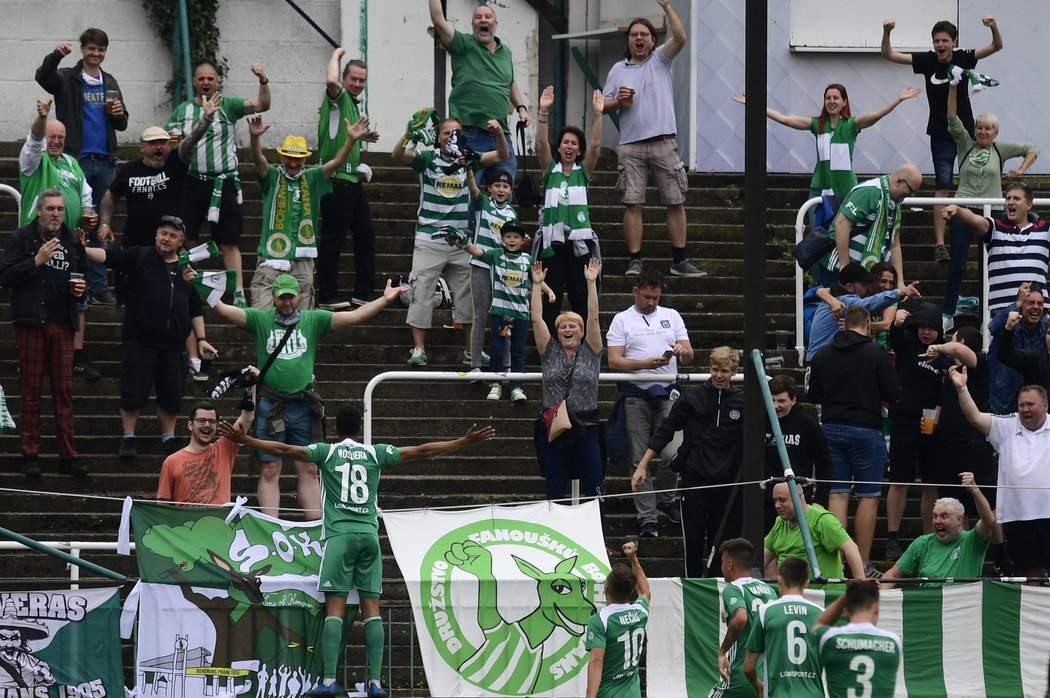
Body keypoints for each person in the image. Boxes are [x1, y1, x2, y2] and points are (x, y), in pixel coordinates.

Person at [219, 407, 495, 698]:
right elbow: (422, 451)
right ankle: (375, 682)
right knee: (372, 611)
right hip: (368, 537)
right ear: (360, 429)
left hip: (340, 537)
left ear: (335, 430)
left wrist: (247, 440)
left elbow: (285, 448)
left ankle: (328, 681)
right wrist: (463, 442)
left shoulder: (326, 452)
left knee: (334, 611)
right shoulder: (375, 454)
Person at [208, 274, 408, 519]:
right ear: (273, 296)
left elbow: (354, 317)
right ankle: (272, 524)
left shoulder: (313, 320)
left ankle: (313, 524)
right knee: (270, 468)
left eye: (291, 297)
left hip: (303, 404)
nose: (287, 302)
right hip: (272, 404)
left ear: (299, 296)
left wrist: (384, 300)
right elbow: (224, 311)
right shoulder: (260, 320)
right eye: (282, 297)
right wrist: (200, 287)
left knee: (309, 467)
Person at [83, 216, 215, 458]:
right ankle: (129, 437)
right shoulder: (139, 256)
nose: (166, 238)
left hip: (174, 345)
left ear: (181, 241)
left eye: (172, 235)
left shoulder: (186, 270)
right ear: (156, 235)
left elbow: (194, 307)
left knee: (172, 394)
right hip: (140, 340)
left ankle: (168, 437)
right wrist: (80, 249)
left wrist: (201, 338)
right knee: (133, 391)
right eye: (163, 233)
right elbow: (108, 257)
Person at [881, 16, 1004, 261]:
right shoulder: (927, 60)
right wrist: (886, 32)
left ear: (953, 42)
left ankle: (981, 233)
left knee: (974, 179)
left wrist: (993, 28)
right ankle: (940, 244)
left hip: (968, 133)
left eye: (945, 41)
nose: (940, 45)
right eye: (936, 40)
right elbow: (889, 54)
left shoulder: (964, 57)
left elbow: (996, 47)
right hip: (940, 133)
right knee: (943, 185)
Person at [392, 115, 507, 367]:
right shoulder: (427, 158)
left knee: (469, 297)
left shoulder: (469, 158)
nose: (451, 137)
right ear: (438, 137)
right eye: (445, 133)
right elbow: (397, 155)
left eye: (455, 132)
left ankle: (471, 350)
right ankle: (419, 349)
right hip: (429, 237)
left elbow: (501, 155)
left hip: (460, 241)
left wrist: (498, 132)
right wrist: (409, 134)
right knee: (421, 291)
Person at [601, 1, 703, 279]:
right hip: (631, 144)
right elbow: (603, 104)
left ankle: (679, 260)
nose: (638, 39)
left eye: (644, 35)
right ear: (629, 41)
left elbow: (681, 38)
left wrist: (668, 7)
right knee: (632, 203)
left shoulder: (660, 59)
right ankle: (635, 260)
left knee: (675, 200)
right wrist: (617, 101)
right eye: (634, 35)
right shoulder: (617, 69)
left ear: (653, 39)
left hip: (663, 140)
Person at [35, 27, 128, 306]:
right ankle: (77, 282)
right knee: (77, 224)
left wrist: (120, 114)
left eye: (101, 49)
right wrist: (55, 56)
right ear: (83, 49)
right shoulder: (67, 77)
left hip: (106, 162)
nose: (96, 54)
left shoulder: (110, 81)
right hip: (76, 161)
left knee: (101, 227)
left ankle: (99, 286)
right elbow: (43, 77)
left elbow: (122, 123)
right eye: (91, 48)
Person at [166, 62, 271, 307]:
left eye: (210, 79)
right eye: (201, 78)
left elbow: (263, 104)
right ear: (194, 82)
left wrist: (263, 79)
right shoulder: (182, 111)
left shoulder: (229, 106)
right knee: (187, 235)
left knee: (229, 241)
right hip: (192, 181)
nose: (205, 83)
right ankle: (193, 286)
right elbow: (167, 140)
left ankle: (238, 293)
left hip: (224, 182)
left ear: (217, 82)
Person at [633, 347, 743, 578]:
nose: (719, 375)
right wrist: (643, 464)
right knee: (692, 538)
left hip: (726, 482)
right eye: (715, 370)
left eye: (724, 371)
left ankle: (719, 584)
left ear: (734, 371)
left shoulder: (743, 401)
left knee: (722, 540)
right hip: (694, 478)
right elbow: (667, 428)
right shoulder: (692, 396)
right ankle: (692, 585)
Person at [0, 190, 88, 477]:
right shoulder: (23, 238)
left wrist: (80, 290)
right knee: (31, 391)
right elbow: (6, 276)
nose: (56, 214)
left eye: (60, 209)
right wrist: (36, 260)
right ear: (39, 211)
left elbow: (81, 273)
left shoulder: (71, 239)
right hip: (31, 323)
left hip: (63, 324)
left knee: (64, 392)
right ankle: (30, 454)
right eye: (50, 208)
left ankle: (68, 456)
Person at [808, 305, 900, 570]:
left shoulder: (823, 354)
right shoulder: (875, 353)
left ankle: (837, 563)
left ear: (844, 325)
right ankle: (862, 563)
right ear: (868, 325)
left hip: (831, 427)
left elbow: (813, 394)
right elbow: (893, 391)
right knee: (868, 496)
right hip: (866, 428)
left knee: (837, 495)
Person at [940, 82, 1038, 330]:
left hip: (992, 211)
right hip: (964, 207)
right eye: (980, 127)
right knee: (958, 262)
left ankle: (987, 317)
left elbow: (1032, 148)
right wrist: (953, 86)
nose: (983, 132)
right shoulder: (965, 144)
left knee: (989, 266)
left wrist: (1021, 170)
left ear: (996, 132)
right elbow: (951, 117)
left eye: (988, 128)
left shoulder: (999, 149)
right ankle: (948, 313)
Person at [247, 114, 366, 310]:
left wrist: (351, 141)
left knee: (302, 315)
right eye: (289, 159)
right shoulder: (273, 176)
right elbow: (258, 159)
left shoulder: (313, 178)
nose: (293, 164)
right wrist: (254, 138)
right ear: (282, 156)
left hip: (303, 256)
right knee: (262, 311)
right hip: (271, 253)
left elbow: (336, 163)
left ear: (304, 159)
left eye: (298, 160)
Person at [17, 99, 99, 380]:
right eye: (51, 136)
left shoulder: (73, 163)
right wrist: (42, 117)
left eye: (60, 137)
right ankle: (30, 358)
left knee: (78, 294)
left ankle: (76, 356)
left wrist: (88, 213)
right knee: (36, 295)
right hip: (36, 240)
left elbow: (86, 196)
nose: (55, 141)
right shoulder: (33, 161)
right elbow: (35, 141)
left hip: (71, 241)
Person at [608, 270, 694, 537]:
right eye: (647, 297)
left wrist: (682, 351)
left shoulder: (672, 315)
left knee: (674, 452)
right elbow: (614, 361)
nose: (652, 303)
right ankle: (647, 515)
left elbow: (690, 356)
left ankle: (666, 500)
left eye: (656, 298)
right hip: (635, 392)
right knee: (638, 457)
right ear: (635, 292)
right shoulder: (621, 319)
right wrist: (645, 364)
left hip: (668, 392)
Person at [732, 83, 921, 201]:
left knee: (841, 237)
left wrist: (898, 99)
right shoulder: (817, 124)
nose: (831, 101)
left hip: (846, 189)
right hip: (819, 189)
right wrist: (754, 103)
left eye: (836, 98)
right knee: (818, 240)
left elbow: (876, 115)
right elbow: (784, 119)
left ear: (844, 102)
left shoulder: (851, 125)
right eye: (828, 98)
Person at [951, 365, 1050, 579]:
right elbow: (975, 417)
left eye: (1030, 405)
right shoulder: (1008, 425)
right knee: (1028, 576)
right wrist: (961, 389)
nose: (1025, 409)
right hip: (1018, 516)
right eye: (1022, 405)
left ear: (1045, 406)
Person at [531, 259, 605, 525]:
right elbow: (536, 318)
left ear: (582, 331)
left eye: (573, 325)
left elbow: (594, 316)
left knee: (595, 487)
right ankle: (555, 534)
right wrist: (537, 285)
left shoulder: (591, 351)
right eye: (563, 326)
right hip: (553, 427)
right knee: (554, 489)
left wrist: (589, 282)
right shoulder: (548, 351)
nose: (568, 329)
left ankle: (598, 537)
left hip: (586, 425)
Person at [100, 96, 221, 249]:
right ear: (142, 147)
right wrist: (105, 223)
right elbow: (110, 196)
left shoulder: (176, 162)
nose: (158, 147)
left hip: (168, 248)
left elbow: (191, 141)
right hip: (135, 247)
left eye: (163, 143)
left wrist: (206, 119)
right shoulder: (129, 169)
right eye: (153, 143)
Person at [427, 0, 528, 181]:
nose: (483, 20)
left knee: (502, 195)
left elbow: (510, 82)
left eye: (488, 17)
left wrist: (521, 108)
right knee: (465, 196)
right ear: (473, 24)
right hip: (469, 133)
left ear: (495, 24)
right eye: (478, 17)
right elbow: (438, 20)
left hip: (501, 136)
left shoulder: (506, 53)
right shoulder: (463, 44)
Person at [534, 86, 604, 334]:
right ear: (559, 147)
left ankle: (583, 345)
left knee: (580, 295)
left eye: (574, 143)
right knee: (550, 297)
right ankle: (550, 344)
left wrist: (598, 114)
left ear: (579, 150)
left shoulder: (582, 172)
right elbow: (541, 143)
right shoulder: (549, 170)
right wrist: (543, 111)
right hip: (552, 242)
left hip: (578, 243)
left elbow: (596, 146)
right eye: (565, 142)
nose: (569, 146)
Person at [316, 48, 380, 310]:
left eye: (362, 80)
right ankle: (327, 296)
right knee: (333, 239)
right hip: (335, 181)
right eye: (353, 79)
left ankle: (363, 292)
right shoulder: (337, 97)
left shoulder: (352, 105)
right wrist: (335, 54)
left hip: (352, 181)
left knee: (366, 236)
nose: (357, 84)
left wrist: (364, 138)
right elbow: (330, 82)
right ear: (344, 78)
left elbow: (340, 134)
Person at [885, 302, 947, 554]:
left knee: (931, 482)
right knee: (900, 479)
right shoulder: (908, 343)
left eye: (932, 328)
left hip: (932, 421)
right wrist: (897, 323)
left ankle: (927, 539)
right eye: (922, 326)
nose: (926, 332)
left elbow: (947, 388)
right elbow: (896, 338)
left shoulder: (944, 353)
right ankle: (892, 537)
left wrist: (939, 413)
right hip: (905, 419)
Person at [943, 185, 1050, 316]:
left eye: (1016, 198)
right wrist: (958, 210)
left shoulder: (1045, 229)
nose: (1010, 202)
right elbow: (975, 220)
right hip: (1002, 310)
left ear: (1029, 204)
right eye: (1008, 198)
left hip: (1037, 309)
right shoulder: (995, 227)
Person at [458, 222, 536, 401]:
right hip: (501, 314)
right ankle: (496, 384)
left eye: (516, 237)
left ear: (523, 240)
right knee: (498, 350)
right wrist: (465, 243)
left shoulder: (527, 259)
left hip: (521, 315)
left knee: (518, 351)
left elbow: (536, 279)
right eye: (508, 236)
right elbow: (478, 253)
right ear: (502, 239)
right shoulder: (496, 255)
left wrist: (550, 291)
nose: (512, 240)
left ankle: (516, 386)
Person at [881, 472, 995, 587]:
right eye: (935, 516)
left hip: (960, 603)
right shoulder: (922, 543)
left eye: (944, 516)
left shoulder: (972, 541)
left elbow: (989, 521)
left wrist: (975, 490)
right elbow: (892, 575)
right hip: (929, 603)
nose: (938, 521)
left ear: (959, 520)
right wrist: (879, 596)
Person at [820, 163, 922, 286]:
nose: (911, 195)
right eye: (911, 190)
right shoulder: (870, 192)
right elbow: (841, 224)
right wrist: (845, 268)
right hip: (840, 267)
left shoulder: (894, 202)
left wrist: (900, 282)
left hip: (865, 273)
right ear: (899, 181)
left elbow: (894, 244)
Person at [743, 556, 824, 698]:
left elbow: (749, 667)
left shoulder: (765, 612)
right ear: (807, 582)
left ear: (779, 579)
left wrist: (757, 685)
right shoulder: (821, 613)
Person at [157, 392, 256, 506]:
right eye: (201, 420)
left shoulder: (224, 449)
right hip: (186, 522)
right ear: (190, 425)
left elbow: (247, 417)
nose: (207, 425)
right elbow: (163, 504)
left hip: (218, 521)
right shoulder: (171, 462)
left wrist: (250, 387)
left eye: (212, 421)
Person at [805, 263, 917, 363]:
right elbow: (869, 304)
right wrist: (898, 293)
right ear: (849, 287)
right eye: (864, 284)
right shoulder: (845, 301)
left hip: (821, 360)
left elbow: (821, 291)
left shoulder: (834, 297)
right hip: (822, 363)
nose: (868, 287)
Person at [465, 168, 519, 374]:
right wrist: (470, 169)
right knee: (480, 315)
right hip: (480, 265)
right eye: (497, 185)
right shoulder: (483, 204)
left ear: (511, 190)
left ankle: (505, 363)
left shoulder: (512, 214)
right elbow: (472, 190)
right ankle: (475, 364)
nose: (501, 189)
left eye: (505, 186)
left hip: (503, 268)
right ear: (489, 188)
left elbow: (513, 242)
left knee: (505, 315)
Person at [763, 375, 832, 530]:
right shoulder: (761, 420)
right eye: (772, 400)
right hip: (765, 501)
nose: (775, 406)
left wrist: (820, 500)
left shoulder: (808, 424)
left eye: (781, 401)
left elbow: (824, 463)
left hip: (797, 501)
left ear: (793, 400)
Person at [710, 538, 776, 698]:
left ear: (730, 564)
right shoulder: (768, 590)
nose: (721, 567)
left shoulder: (733, 589)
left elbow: (741, 618)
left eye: (722, 562)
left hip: (742, 671)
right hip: (769, 672)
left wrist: (722, 652)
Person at [584, 541, 650, 698]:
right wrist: (633, 558)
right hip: (633, 693)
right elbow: (645, 591)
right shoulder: (640, 611)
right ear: (631, 590)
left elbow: (596, 661)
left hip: (608, 693)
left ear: (606, 588)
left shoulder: (600, 620)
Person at [814, 581, 902, 698]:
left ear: (845, 611)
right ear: (876, 608)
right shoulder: (894, 642)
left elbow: (817, 625)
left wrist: (847, 595)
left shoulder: (829, 638)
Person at [764, 481, 865, 581]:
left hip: (822, 595)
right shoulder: (779, 523)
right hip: (791, 594)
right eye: (775, 500)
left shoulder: (821, 520)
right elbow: (762, 558)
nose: (777, 505)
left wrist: (861, 585)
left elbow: (851, 548)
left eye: (782, 500)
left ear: (799, 497)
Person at [988, 283, 1050, 415]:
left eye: (1040, 303)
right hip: (1003, 402)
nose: (1036, 307)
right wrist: (1016, 303)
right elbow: (992, 327)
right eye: (1030, 303)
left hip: (1034, 404)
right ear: (1022, 306)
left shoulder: (1045, 328)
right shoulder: (1009, 323)